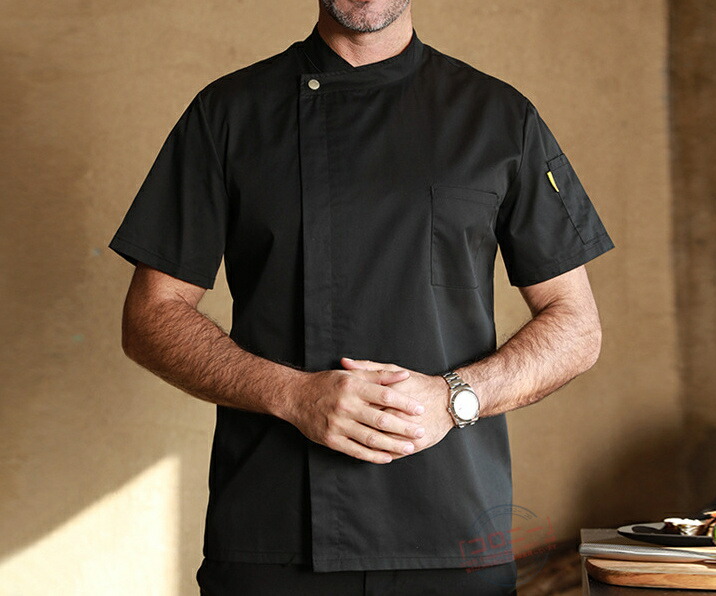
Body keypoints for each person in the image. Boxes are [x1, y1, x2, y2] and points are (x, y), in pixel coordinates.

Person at [110, 0, 614, 593]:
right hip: (272, 531)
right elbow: (151, 315)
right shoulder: (227, 112)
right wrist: (293, 394)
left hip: (453, 531)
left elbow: (575, 325)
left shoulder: (499, 116)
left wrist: (455, 397)